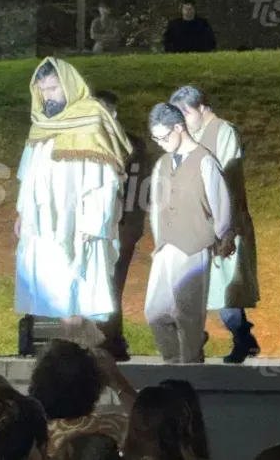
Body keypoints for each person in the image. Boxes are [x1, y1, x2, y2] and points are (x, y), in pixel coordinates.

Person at [14, 57, 133, 337]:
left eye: (53, 88)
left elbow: (105, 176)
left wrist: (94, 221)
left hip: (79, 222)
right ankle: (83, 351)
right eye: (43, 90)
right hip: (43, 221)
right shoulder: (40, 122)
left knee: (75, 293)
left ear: (68, 85)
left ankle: (79, 352)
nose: (48, 96)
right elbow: (28, 172)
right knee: (56, 294)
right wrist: (22, 212)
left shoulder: (90, 117)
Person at [169, 85, 260, 363]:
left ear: (199, 108)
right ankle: (199, 338)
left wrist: (226, 225)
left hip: (222, 219)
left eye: (186, 115)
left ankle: (242, 337)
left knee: (223, 290)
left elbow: (229, 176)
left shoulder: (223, 131)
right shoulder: (191, 136)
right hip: (196, 221)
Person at [146, 103, 234, 363]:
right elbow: (157, 207)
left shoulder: (205, 161)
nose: (160, 143)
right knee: (155, 312)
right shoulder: (162, 164)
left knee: (188, 314)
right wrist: (159, 240)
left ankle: (190, 366)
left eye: (164, 137)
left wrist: (219, 236)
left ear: (178, 127)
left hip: (194, 244)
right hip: (166, 246)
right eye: (155, 139)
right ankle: (173, 360)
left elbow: (221, 205)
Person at [92, 90, 151, 361]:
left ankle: (110, 340)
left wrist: (130, 227)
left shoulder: (131, 145)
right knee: (102, 284)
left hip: (120, 226)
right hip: (95, 227)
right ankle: (109, 339)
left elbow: (139, 189)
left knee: (112, 283)